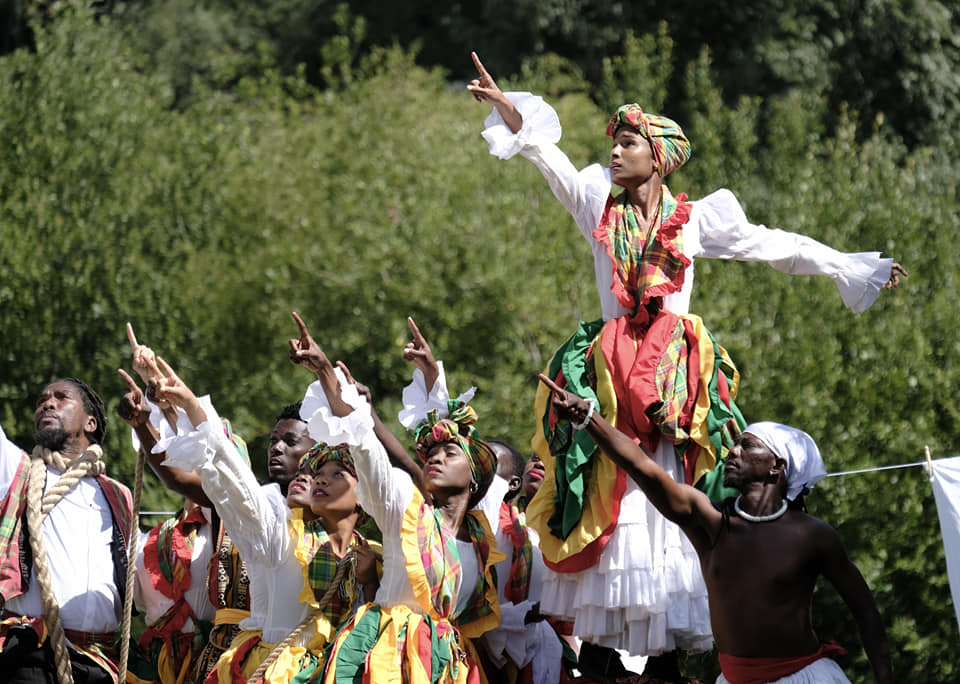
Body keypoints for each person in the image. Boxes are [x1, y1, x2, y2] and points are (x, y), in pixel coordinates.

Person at [467, 52, 905, 678]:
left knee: (669, 495)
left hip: (671, 377)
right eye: (613, 144)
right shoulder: (599, 204)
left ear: (658, 155)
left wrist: (853, 266)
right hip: (613, 372)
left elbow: (772, 245)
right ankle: (604, 660)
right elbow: (551, 163)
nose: (614, 154)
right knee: (610, 492)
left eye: (626, 144)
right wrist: (508, 106)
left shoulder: (693, 220)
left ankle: (666, 659)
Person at [539, 372, 893, 684]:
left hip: (804, 677)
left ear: (777, 467)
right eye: (735, 444)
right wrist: (588, 417)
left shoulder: (812, 535)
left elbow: (866, 611)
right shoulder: (710, 522)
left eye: (747, 446)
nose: (731, 452)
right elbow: (642, 467)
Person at [130, 352, 376, 684]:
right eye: (315, 471)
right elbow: (226, 471)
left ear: (363, 496)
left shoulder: (366, 557)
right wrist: (185, 404)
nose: (316, 477)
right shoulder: (274, 530)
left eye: (335, 473)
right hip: (270, 671)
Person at [289, 312, 504, 683]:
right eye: (431, 455)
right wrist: (326, 373)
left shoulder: (483, 542)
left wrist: (433, 376)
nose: (435, 459)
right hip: (388, 656)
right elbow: (367, 449)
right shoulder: (407, 508)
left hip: (446, 665)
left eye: (449, 455)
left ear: (475, 478)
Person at [118, 324, 312, 682]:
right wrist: (160, 410)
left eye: (289, 441)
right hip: (242, 656)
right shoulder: (253, 506)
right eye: (272, 440)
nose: (276, 448)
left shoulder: (339, 515)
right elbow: (190, 469)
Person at [0, 378, 134, 684]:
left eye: (61, 398)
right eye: (42, 401)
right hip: (31, 653)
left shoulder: (118, 495)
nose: (47, 404)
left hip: (100, 660)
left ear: (90, 423)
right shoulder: (16, 472)